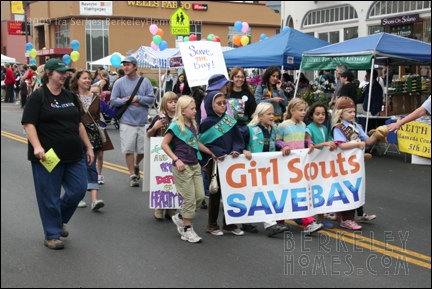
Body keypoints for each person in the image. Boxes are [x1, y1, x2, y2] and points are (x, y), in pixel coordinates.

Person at [21, 58, 94, 249]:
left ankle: (57, 219)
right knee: (50, 195)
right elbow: (28, 123)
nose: (64, 75)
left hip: (73, 153)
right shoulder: (38, 97)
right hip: (48, 155)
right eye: (60, 72)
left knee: (79, 189)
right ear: (49, 74)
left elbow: (79, 124)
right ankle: (52, 234)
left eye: (66, 72)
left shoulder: (70, 97)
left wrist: (89, 146)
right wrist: (37, 146)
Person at [161, 96, 217, 243]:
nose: (195, 111)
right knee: (189, 198)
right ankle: (187, 229)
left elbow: (196, 143)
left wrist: (210, 152)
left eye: (195, 108)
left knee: (199, 196)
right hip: (182, 166)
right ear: (183, 110)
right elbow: (164, 144)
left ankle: (180, 216)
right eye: (192, 109)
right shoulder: (175, 126)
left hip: (194, 164)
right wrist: (176, 159)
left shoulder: (192, 124)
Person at [199, 91, 245, 236]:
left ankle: (229, 224)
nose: (222, 106)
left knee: (231, 192)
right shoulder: (206, 123)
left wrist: (236, 150)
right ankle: (212, 224)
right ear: (210, 105)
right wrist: (217, 152)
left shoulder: (229, 121)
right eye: (218, 103)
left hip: (230, 161)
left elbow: (237, 139)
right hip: (216, 161)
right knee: (215, 192)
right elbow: (204, 142)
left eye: (224, 103)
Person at [275, 98, 324, 235]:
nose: (303, 113)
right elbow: (277, 139)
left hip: (299, 164)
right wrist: (283, 145)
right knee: (285, 191)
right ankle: (280, 221)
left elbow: (304, 139)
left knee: (298, 191)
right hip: (286, 163)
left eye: (304, 110)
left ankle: (307, 221)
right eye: (300, 110)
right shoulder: (284, 125)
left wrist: (309, 142)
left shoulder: (303, 125)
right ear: (292, 111)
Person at [241, 102, 290, 236]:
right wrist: (243, 150)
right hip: (252, 167)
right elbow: (240, 144)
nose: (272, 116)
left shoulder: (273, 130)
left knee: (265, 193)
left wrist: (283, 147)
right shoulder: (249, 129)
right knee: (254, 194)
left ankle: (269, 223)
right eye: (269, 114)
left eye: (273, 113)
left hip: (268, 168)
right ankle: (260, 223)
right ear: (260, 116)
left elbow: (275, 145)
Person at [331, 97, 379, 230]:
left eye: (353, 111)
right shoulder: (339, 128)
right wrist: (357, 144)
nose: (352, 114)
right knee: (347, 188)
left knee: (355, 187)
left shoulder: (357, 127)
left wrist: (377, 135)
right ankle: (347, 218)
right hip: (344, 164)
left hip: (355, 164)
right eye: (349, 112)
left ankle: (344, 215)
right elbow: (341, 145)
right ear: (341, 114)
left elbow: (367, 141)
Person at [110, 56, 155, 187]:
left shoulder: (145, 82)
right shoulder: (119, 83)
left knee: (142, 150)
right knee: (129, 149)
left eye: (128, 65)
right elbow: (113, 101)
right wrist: (126, 100)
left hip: (142, 122)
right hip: (126, 122)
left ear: (135, 66)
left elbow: (151, 99)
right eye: (124, 65)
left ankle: (136, 164)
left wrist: (137, 98)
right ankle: (133, 175)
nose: (125, 67)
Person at [70, 70, 105, 211]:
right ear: (77, 80)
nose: (87, 80)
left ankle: (94, 200)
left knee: (91, 165)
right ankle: (77, 197)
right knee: (78, 166)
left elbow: (104, 113)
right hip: (75, 136)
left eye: (89, 78)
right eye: (84, 78)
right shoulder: (71, 97)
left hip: (92, 137)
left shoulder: (96, 98)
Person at [146, 91, 178, 220]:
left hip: (176, 151)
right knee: (162, 179)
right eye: (170, 102)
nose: (173, 104)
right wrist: (155, 127)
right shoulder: (160, 118)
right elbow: (149, 133)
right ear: (165, 103)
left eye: (175, 102)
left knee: (174, 180)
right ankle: (159, 207)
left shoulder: (180, 117)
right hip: (161, 154)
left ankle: (171, 207)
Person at [305, 102, 337, 228]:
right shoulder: (309, 129)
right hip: (313, 164)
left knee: (323, 190)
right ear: (311, 115)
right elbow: (309, 145)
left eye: (323, 114)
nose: (320, 116)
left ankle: (321, 217)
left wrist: (332, 143)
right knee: (313, 191)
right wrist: (324, 144)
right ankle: (311, 217)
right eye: (317, 114)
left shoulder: (325, 128)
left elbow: (329, 140)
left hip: (323, 164)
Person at [90, 84, 116, 186]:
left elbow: (110, 113)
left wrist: (121, 106)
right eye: (92, 92)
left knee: (100, 154)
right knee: (90, 154)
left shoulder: (101, 103)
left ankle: (99, 174)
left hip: (100, 130)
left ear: (101, 94)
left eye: (97, 92)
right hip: (89, 131)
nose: (94, 94)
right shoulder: (85, 102)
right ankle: (89, 175)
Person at [226, 66, 257, 132]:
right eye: (237, 76)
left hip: (244, 129)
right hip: (228, 128)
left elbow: (253, 112)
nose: (240, 79)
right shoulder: (226, 93)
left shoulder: (249, 94)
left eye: (242, 77)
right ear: (232, 78)